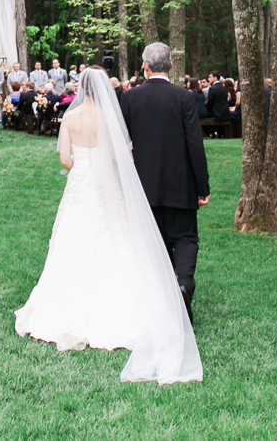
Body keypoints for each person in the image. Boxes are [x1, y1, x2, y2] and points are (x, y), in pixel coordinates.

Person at [14, 64, 203, 385]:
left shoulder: (71, 118)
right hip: (106, 182)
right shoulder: (110, 118)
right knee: (116, 236)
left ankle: (66, 305)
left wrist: (79, 164)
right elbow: (122, 153)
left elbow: (64, 158)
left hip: (80, 182)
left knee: (73, 239)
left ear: (80, 87)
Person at [118, 43, 209, 325]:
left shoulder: (130, 98)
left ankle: (159, 298)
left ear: (145, 66)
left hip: (144, 183)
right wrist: (202, 186)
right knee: (184, 237)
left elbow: (123, 143)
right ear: (170, 66)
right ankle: (183, 284)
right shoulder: (184, 97)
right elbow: (195, 144)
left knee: (152, 240)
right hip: (181, 183)